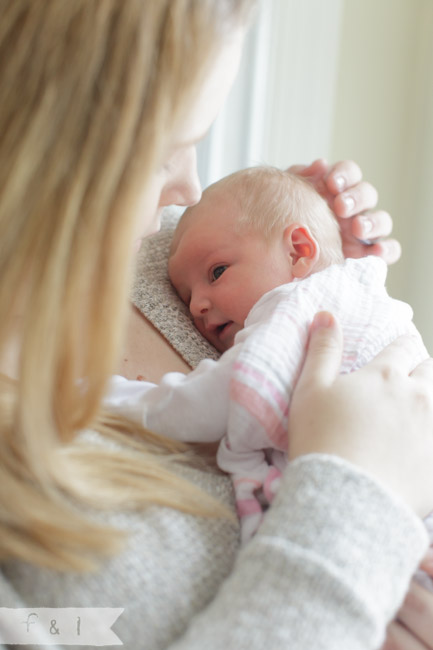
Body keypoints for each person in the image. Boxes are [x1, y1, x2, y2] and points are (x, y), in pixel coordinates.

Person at [1, 2, 433, 650]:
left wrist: (315, 248)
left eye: (196, 144)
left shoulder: (167, 251)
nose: (188, 190)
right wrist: (355, 508)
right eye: (162, 154)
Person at [107, 166, 430, 547]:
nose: (196, 306)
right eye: (185, 295)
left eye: (217, 272)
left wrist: (121, 402)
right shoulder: (346, 293)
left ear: (299, 251)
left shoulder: (298, 308)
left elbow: (233, 391)